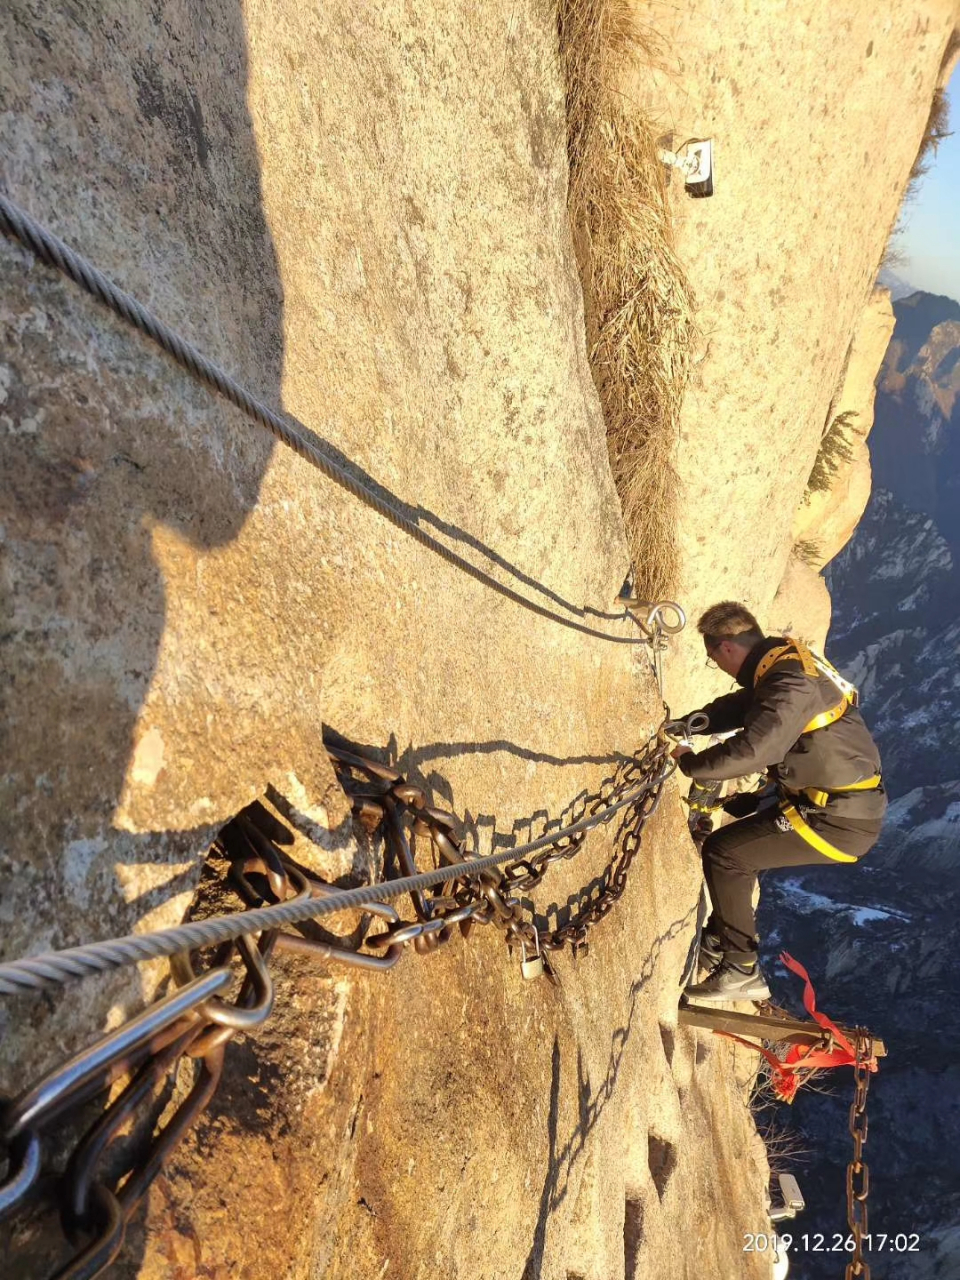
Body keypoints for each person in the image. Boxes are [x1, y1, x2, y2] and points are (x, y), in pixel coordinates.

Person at [673, 602, 886, 1002]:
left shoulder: (790, 682)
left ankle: (741, 970)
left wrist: (693, 764)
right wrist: (695, 721)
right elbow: (750, 707)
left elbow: (757, 747)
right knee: (739, 848)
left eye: (711, 659)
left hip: (836, 819)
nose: (717, 667)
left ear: (725, 648)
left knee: (727, 854)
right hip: (835, 805)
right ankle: (721, 940)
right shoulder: (784, 664)